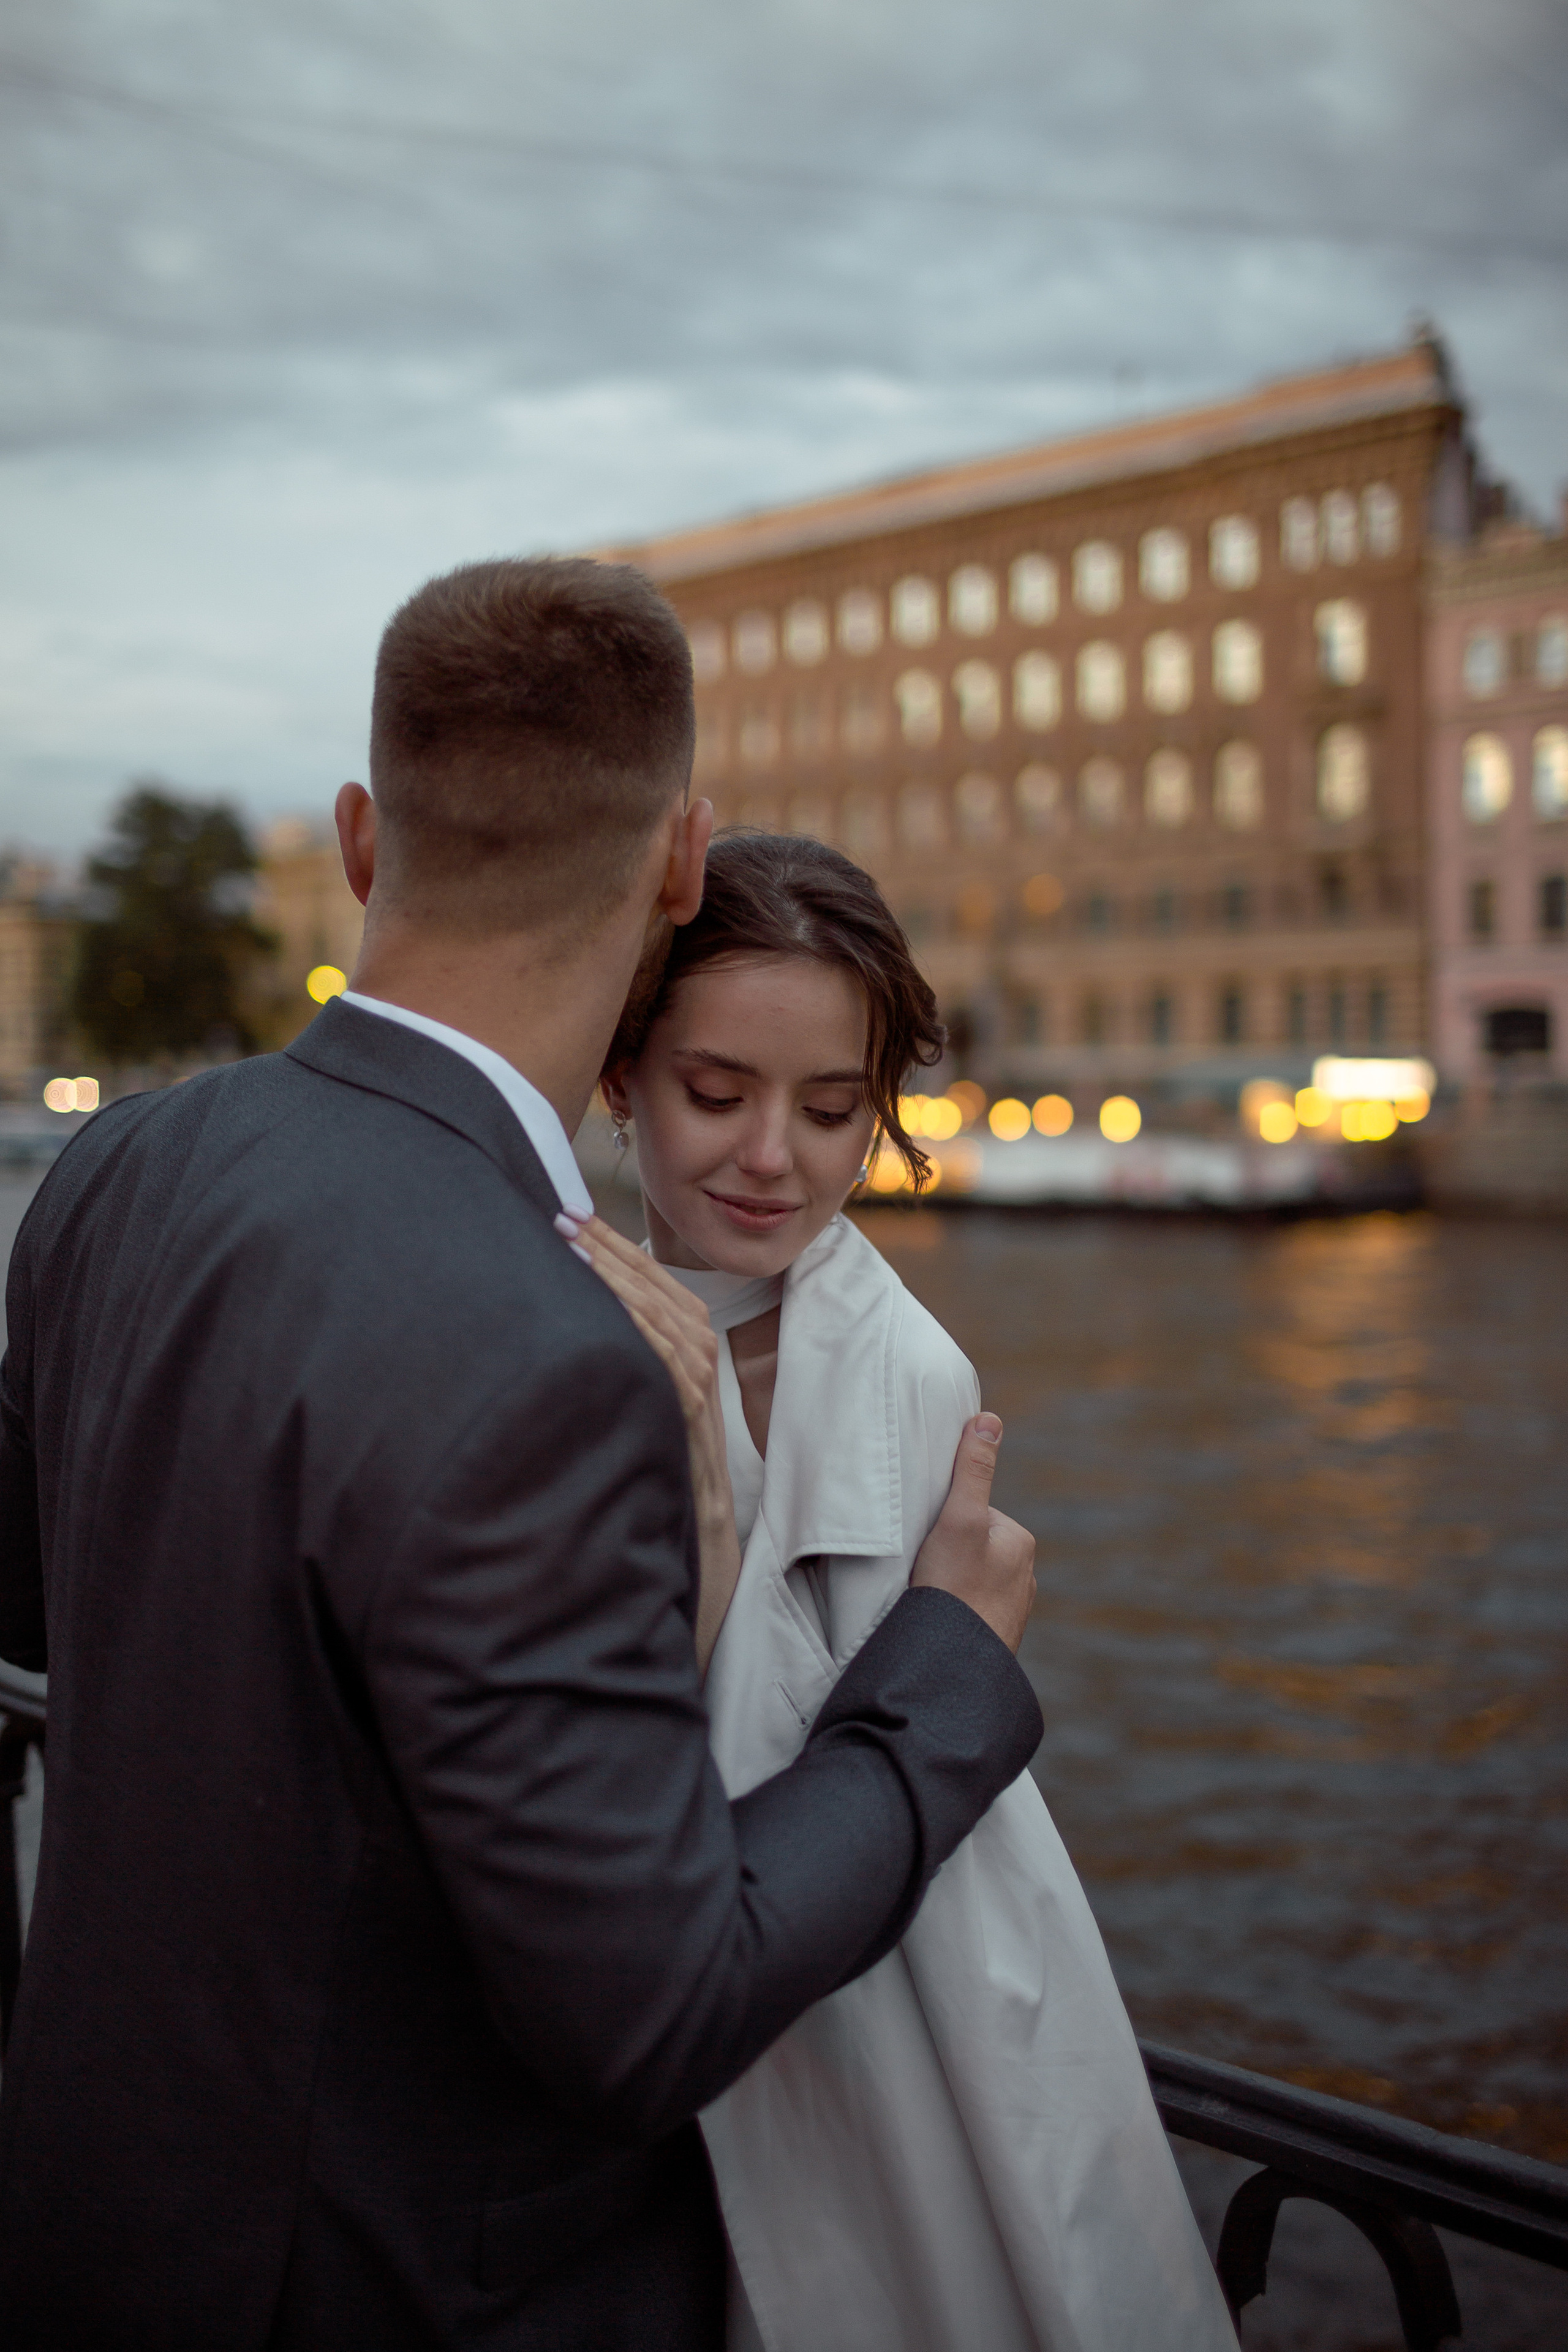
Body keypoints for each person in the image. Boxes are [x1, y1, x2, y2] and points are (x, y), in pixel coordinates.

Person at [0, 559, 1044, 2351]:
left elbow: (40, 1616)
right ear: (680, 862)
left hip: (86, 2230)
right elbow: (650, 2010)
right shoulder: (555, 1355)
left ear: (360, 838)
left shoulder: (119, 1169)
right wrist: (941, 1675)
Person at [578, 830, 1239, 2352]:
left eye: (831, 1110)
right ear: (621, 1074)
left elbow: (804, 1759)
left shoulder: (900, 1374)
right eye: (715, 1093)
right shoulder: (574, 1312)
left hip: (809, 2008)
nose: (774, 1157)